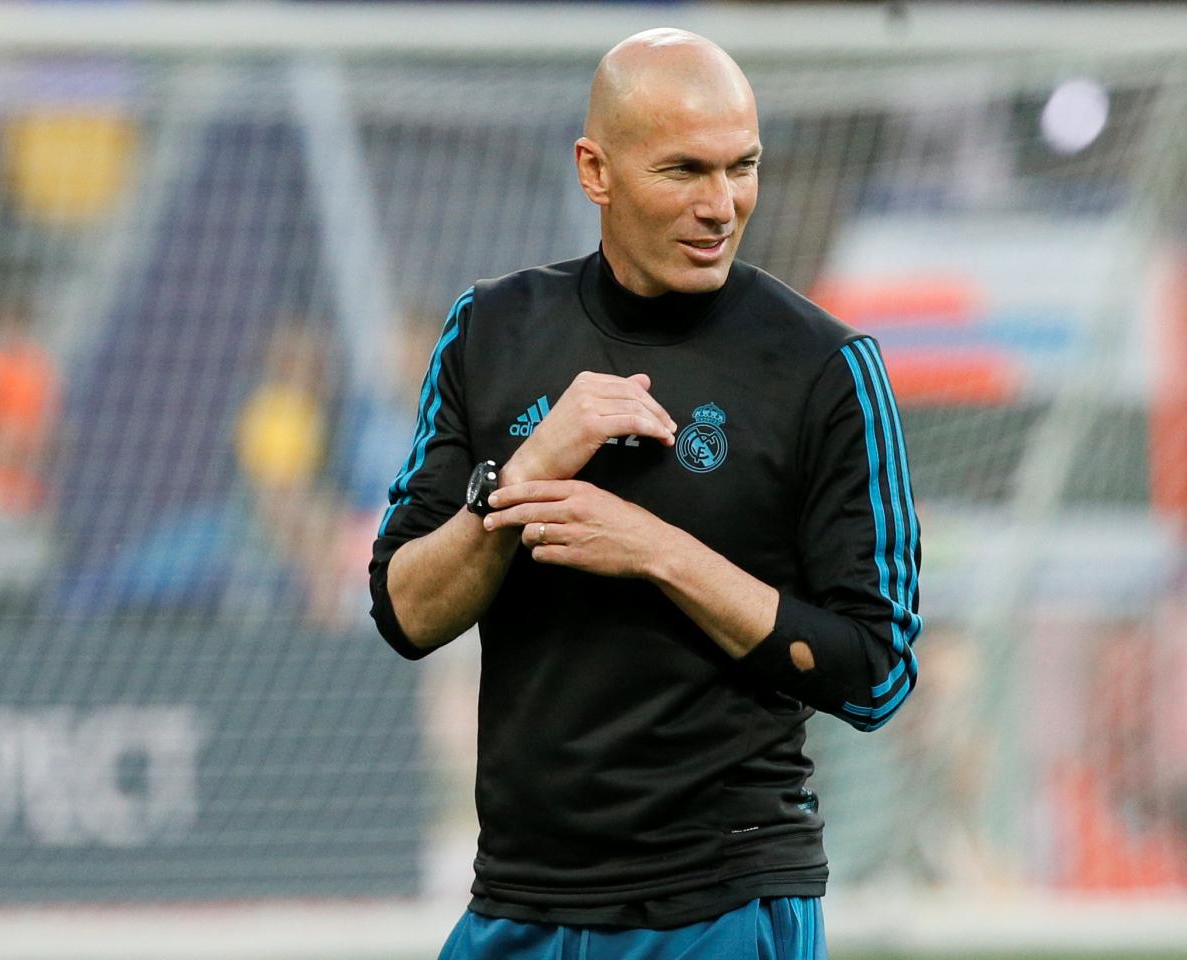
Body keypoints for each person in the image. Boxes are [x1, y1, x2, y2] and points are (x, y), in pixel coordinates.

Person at [367, 28, 921, 960]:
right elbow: (405, 613)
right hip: (516, 899)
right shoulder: (491, 330)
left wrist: (656, 550)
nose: (722, 206)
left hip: (724, 900)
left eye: (742, 167)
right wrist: (528, 471)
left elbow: (876, 673)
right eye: (684, 171)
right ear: (596, 170)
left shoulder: (826, 368)